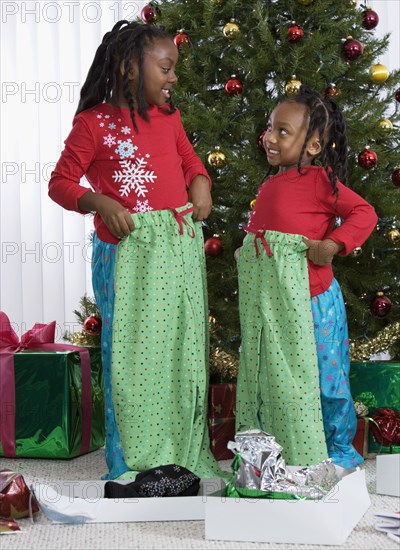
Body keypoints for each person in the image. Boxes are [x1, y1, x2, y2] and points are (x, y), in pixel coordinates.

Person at [48, 20, 223, 480]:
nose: (173, 78)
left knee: (178, 350)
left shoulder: (171, 119)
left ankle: (178, 451)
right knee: (130, 356)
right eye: (166, 68)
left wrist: (200, 183)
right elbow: (60, 182)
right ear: (129, 66)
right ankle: (128, 460)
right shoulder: (93, 123)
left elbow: (189, 160)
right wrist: (99, 202)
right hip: (126, 255)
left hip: (176, 251)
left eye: (174, 69)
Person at [235, 86, 378, 468]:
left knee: (327, 380)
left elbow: (364, 213)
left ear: (313, 145)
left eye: (283, 131)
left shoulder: (319, 181)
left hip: (315, 301)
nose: (269, 137)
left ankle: (340, 449)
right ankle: (288, 444)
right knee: (281, 378)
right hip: (277, 307)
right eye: (269, 128)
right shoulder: (270, 184)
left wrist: (333, 244)